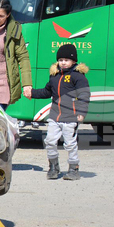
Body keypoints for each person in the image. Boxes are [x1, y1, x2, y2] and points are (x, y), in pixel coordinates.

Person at [30, 43, 90, 181]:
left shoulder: (78, 76)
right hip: (55, 116)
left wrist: (81, 112)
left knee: (70, 144)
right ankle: (53, 167)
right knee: (50, 141)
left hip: (71, 116)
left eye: (66, 60)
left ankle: (74, 169)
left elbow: (84, 94)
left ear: (74, 61)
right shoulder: (54, 76)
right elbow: (46, 92)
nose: (63, 63)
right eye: (61, 60)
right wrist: (32, 93)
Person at [0, 0, 33, 110]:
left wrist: (27, 84)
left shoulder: (14, 30)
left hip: (2, 86)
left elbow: (23, 57)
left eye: (1, 16)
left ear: (8, 15)